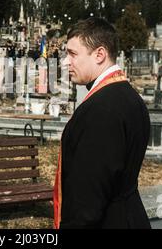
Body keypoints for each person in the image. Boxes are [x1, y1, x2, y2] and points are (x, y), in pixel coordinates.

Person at [54, 17, 151, 229]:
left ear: (99, 54)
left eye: (72, 54)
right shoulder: (130, 97)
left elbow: (87, 199)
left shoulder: (101, 110)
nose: (65, 61)